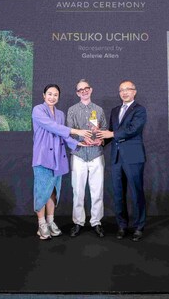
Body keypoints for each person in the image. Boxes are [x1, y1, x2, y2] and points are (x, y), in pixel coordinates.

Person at [31, 84, 91, 240]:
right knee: (41, 191)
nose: (52, 97)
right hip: (43, 157)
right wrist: (76, 131)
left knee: (53, 191)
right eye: (49, 94)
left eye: (55, 95)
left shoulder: (60, 114)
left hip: (58, 158)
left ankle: (50, 221)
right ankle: (41, 224)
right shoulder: (38, 110)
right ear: (44, 95)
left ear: (58, 97)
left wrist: (77, 143)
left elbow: (62, 134)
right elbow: (52, 127)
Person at [97, 80, 147, 242]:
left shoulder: (139, 110)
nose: (124, 92)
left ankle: (139, 227)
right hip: (116, 157)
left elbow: (133, 129)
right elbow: (111, 132)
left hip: (133, 156)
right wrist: (101, 141)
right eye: (121, 90)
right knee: (118, 193)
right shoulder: (115, 110)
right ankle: (122, 226)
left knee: (136, 193)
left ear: (134, 92)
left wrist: (111, 134)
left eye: (128, 89)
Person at [66, 79, 108, 238]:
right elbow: (69, 132)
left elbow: (104, 130)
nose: (84, 91)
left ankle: (96, 222)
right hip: (79, 154)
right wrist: (82, 139)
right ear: (77, 93)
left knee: (97, 191)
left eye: (86, 88)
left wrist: (100, 140)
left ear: (91, 90)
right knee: (78, 191)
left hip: (96, 154)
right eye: (80, 89)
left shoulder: (99, 110)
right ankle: (78, 222)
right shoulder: (72, 110)